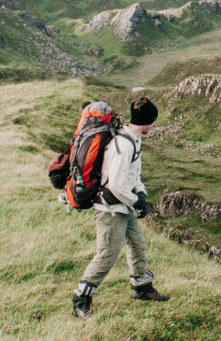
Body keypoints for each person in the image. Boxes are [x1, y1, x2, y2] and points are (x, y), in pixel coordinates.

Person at [72, 96, 168, 319]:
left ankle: (141, 287)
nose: (154, 125)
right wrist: (136, 201)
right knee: (107, 254)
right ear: (148, 120)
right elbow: (115, 184)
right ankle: (81, 299)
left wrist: (141, 192)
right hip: (110, 209)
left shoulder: (133, 139)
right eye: (153, 121)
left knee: (137, 243)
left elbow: (134, 173)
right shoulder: (124, 145)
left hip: (124, 204)